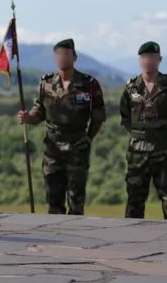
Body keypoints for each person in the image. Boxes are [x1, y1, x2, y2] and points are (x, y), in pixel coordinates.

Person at [18, 38, 106, 215]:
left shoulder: (88, 84)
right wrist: (28, 117)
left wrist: (88, 138)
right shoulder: (46, 83)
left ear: (74, 57)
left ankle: (76, 231)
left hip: (78, 146)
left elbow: (98, 116)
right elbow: (38, 112)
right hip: (53, 149)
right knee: (53, 200)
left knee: (76, 200)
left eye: (66, 54)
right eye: (58, 55)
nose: (62, 58)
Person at [119, 41, 167, 219]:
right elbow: (125, 117)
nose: (148, 61)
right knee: (134, 199)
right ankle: (131, 235)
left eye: (152, 57)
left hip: (164, 150)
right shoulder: (131, 87)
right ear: (140, 60)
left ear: (159, 59)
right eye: (144, 57)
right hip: (137, 152)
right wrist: (139, 135)